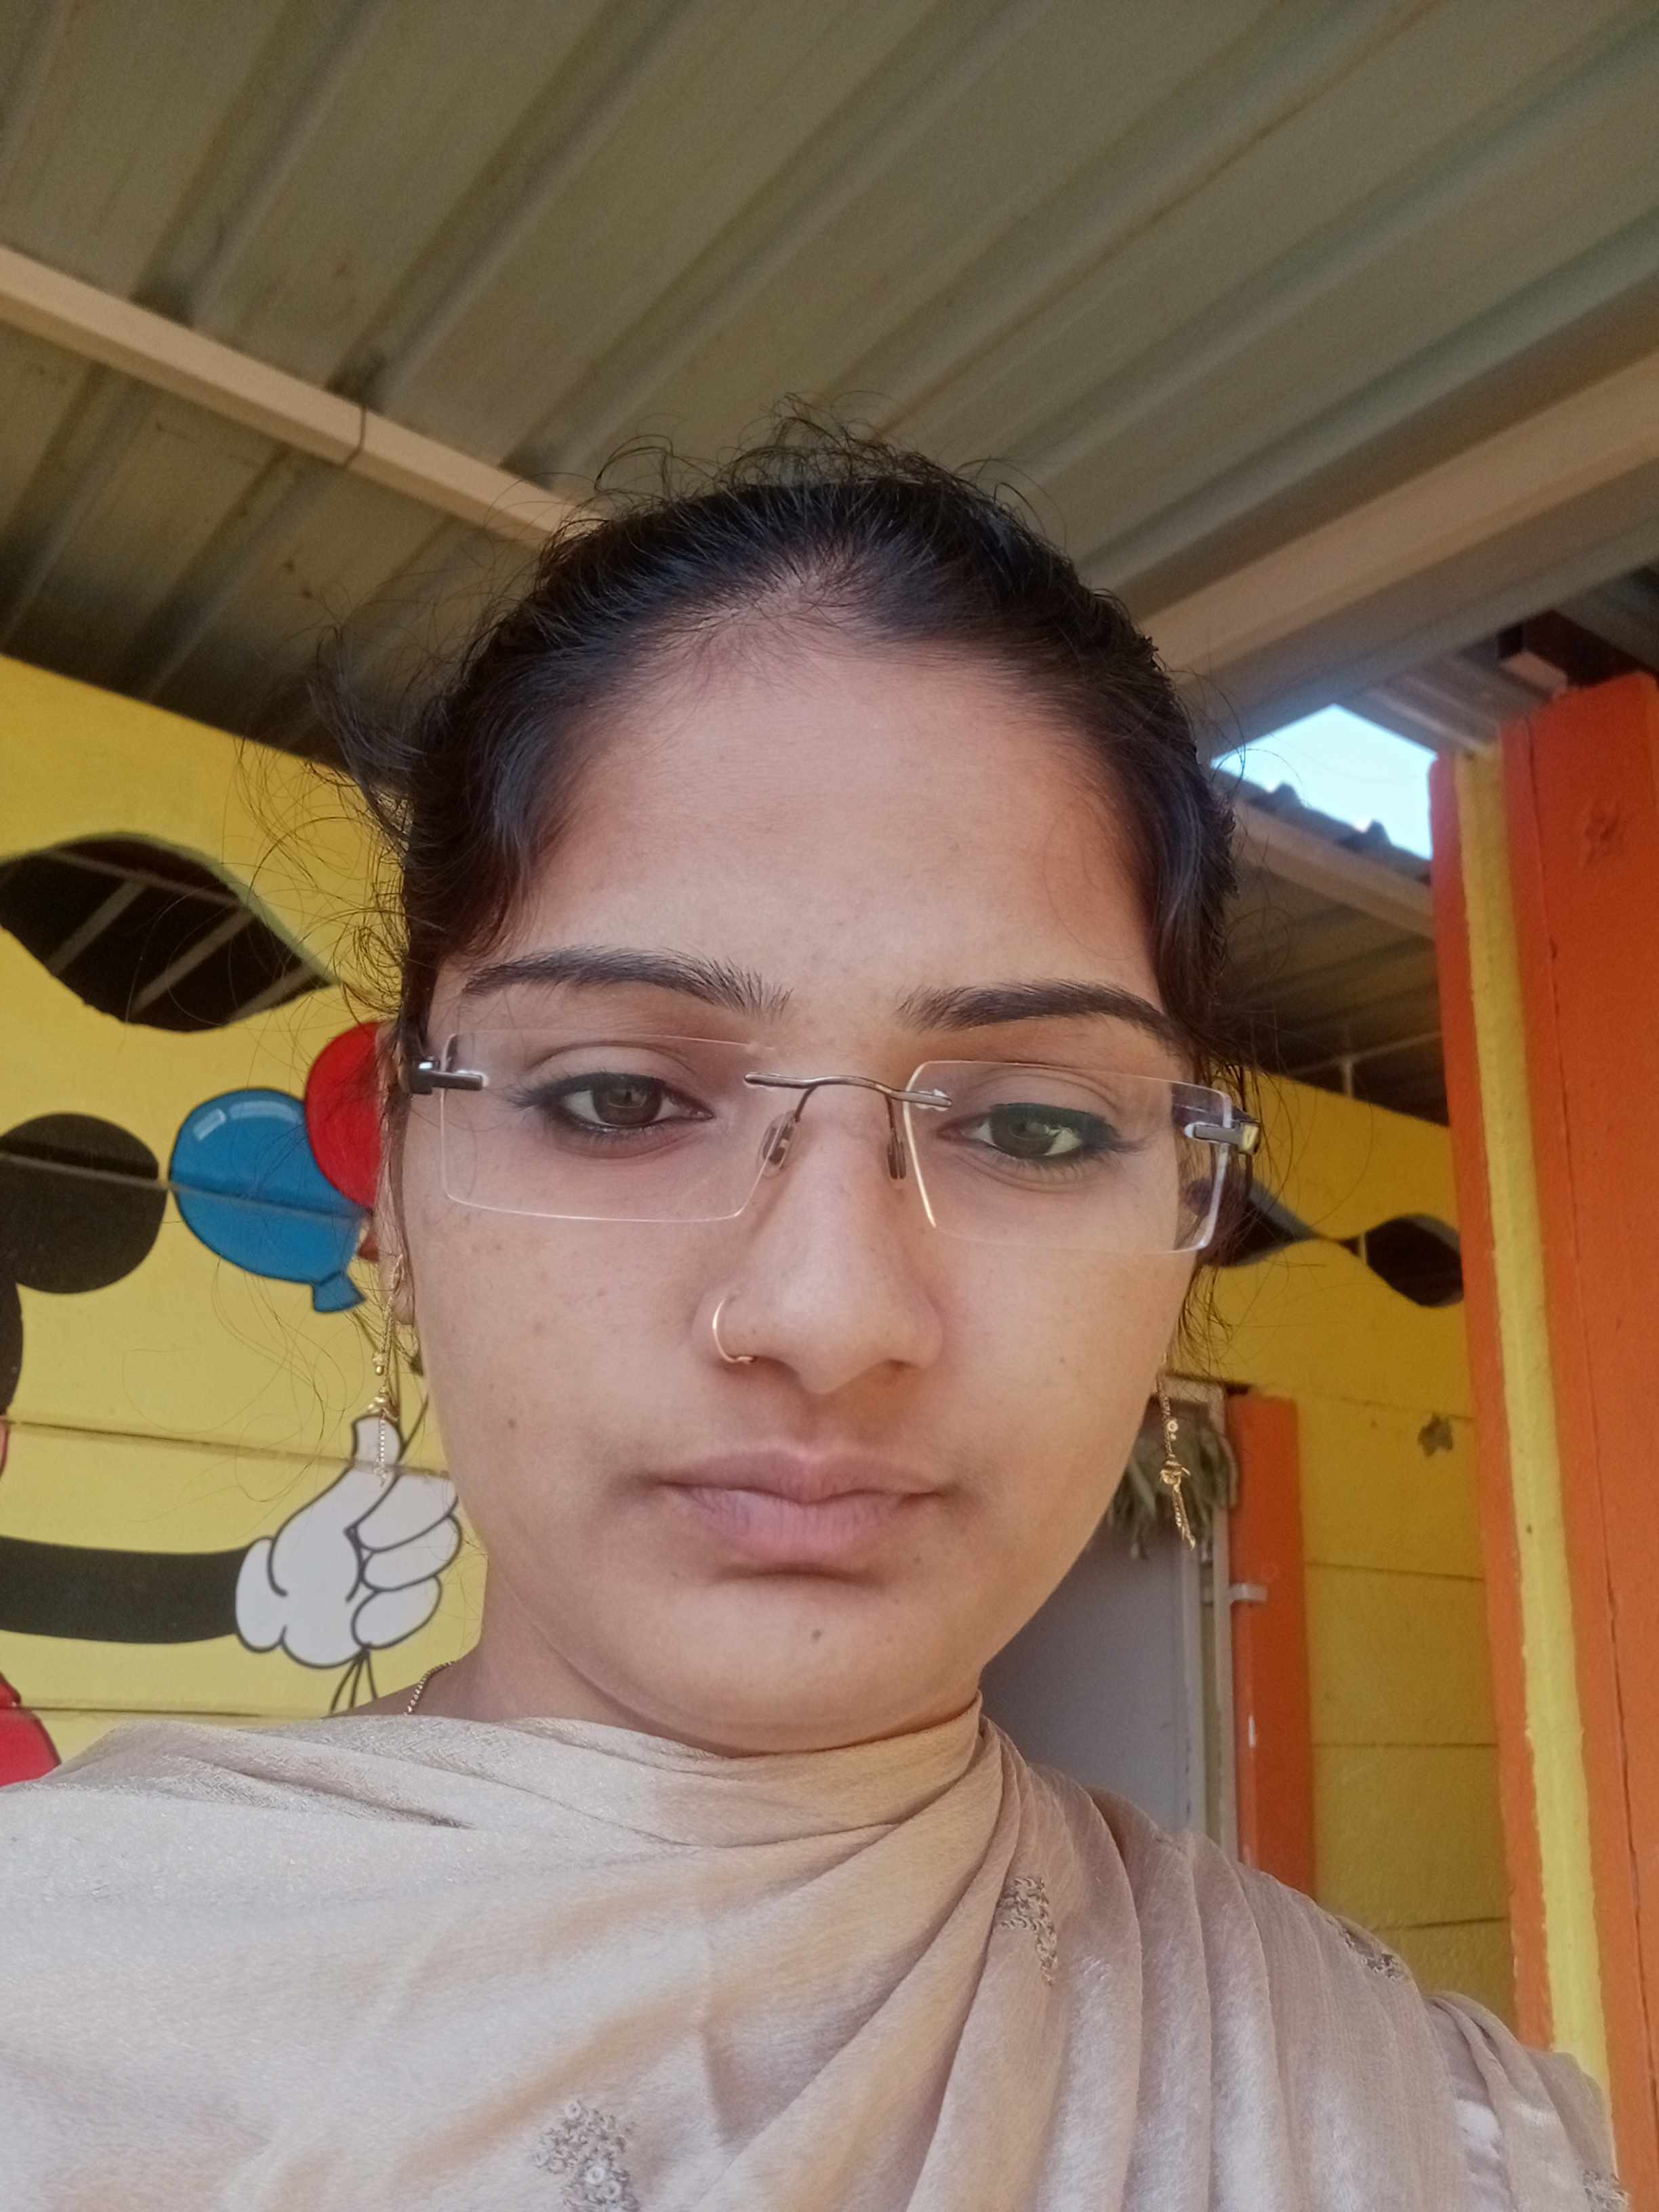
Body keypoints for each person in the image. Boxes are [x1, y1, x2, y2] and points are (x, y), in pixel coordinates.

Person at [0, 424, 1619, 2209]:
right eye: (619, 1097)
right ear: (393, 1172)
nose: (830, 1313)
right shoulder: (47, 2019)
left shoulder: (1435, 2137)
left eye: (1032, 1129)